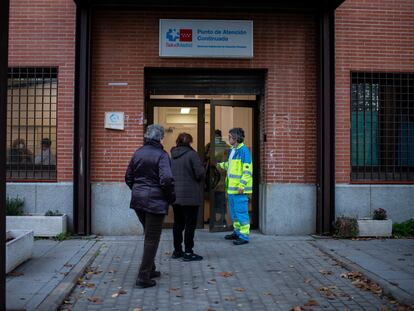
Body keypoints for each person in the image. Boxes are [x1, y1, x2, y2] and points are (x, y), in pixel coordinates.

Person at [125, 124, 175, 288]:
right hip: (155, 202)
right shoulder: (162, 155)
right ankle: (143, 276)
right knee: (152, 239)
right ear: (160, 138)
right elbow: (166, 180)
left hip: (139, 201)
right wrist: (170, 197)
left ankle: (151, 268)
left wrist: (138, 190)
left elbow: (128, 177)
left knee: (148, 235)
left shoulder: (138, 153)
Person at [170, 133, 205, 261]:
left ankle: (177, 251)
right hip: (190, 196)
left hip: (176, 196)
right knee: (190, 225)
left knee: (178, 224)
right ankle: (188, 252)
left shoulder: (172, 156)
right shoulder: (192, 154)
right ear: (190, 142)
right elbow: (200, 173)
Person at [217, 128, 253, 245]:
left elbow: (247, 171)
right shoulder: (233, 150)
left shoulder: (244, 151)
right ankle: (237, 232)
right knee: (234, 213)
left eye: (230, 137)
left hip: (240, 190)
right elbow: (231, 165)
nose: (228, 139)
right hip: (232, 189)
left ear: (236, 138)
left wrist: (242, 185)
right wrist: (220, 165)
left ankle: (244, 236)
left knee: (241, 213)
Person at [204, 129, 229, 227]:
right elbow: (204, 157)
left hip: (220, 177)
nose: (215, 138)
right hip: (212, 177)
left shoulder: (224, 147)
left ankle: (222, 219)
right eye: (214, 136)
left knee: (221, 199)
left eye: (216, 136)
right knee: (213, 199)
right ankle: (213, 218)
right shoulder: (209, 146)